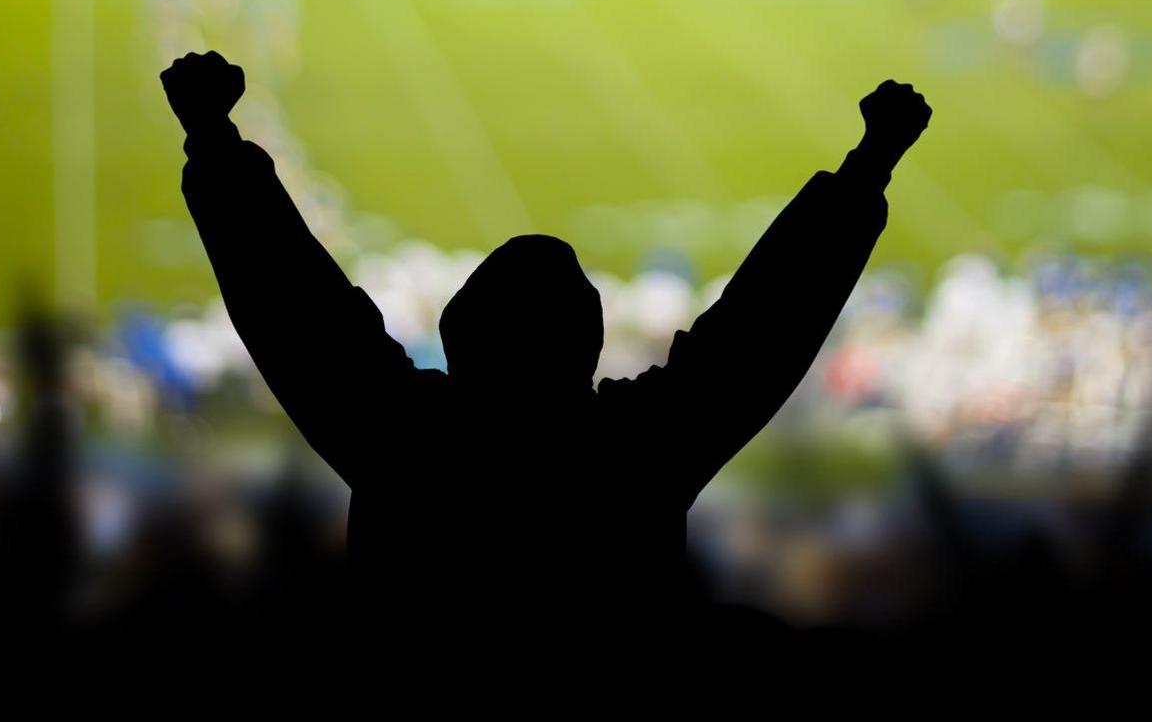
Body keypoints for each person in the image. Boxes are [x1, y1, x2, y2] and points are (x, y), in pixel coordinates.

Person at [163, 51, 930, 651]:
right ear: (586, 345)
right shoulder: (637, 451)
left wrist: (214, 140)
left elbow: (296, 313)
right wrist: (869, 165)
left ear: (461, 339)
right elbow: (762, 332)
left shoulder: (404, 439)